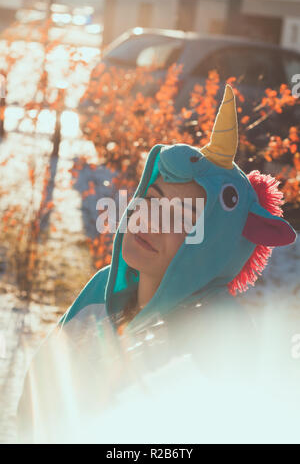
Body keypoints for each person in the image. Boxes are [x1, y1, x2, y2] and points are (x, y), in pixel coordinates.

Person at [16, 85, 297, 443]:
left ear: (213, 244)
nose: (149, 220)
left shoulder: (221, 331)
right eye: (152, 199)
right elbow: (34, 402)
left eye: (181, 218)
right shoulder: (102, 290)